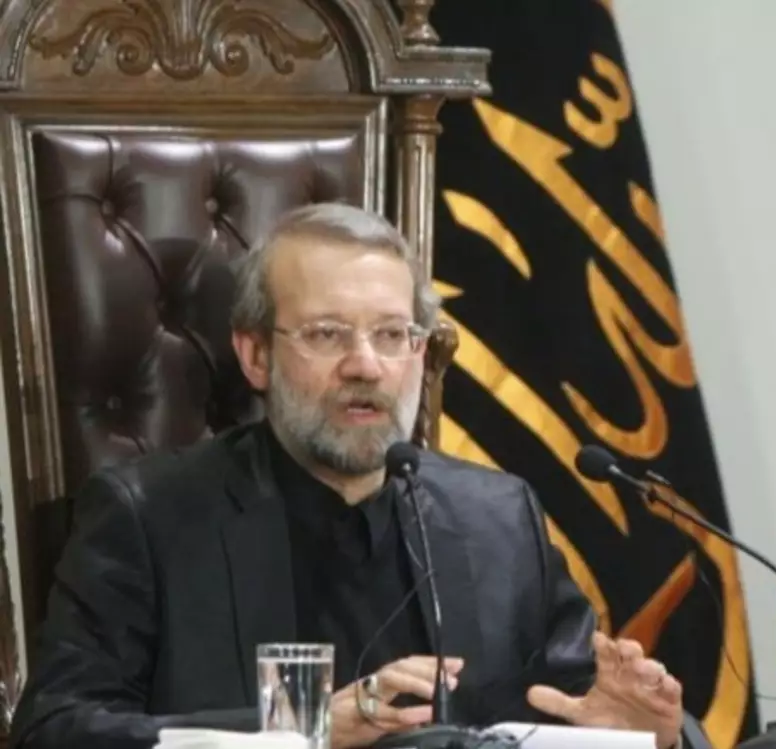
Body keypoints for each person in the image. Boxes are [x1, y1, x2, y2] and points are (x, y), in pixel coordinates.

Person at [9, 203, 704, 749]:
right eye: (326, 333)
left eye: (392, 334)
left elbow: (577, 706)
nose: (366, 365)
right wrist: (301, 732)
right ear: (255, 356)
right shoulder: (148, 516)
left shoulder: (496, 515)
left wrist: (651, 736)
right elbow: (54, 730)